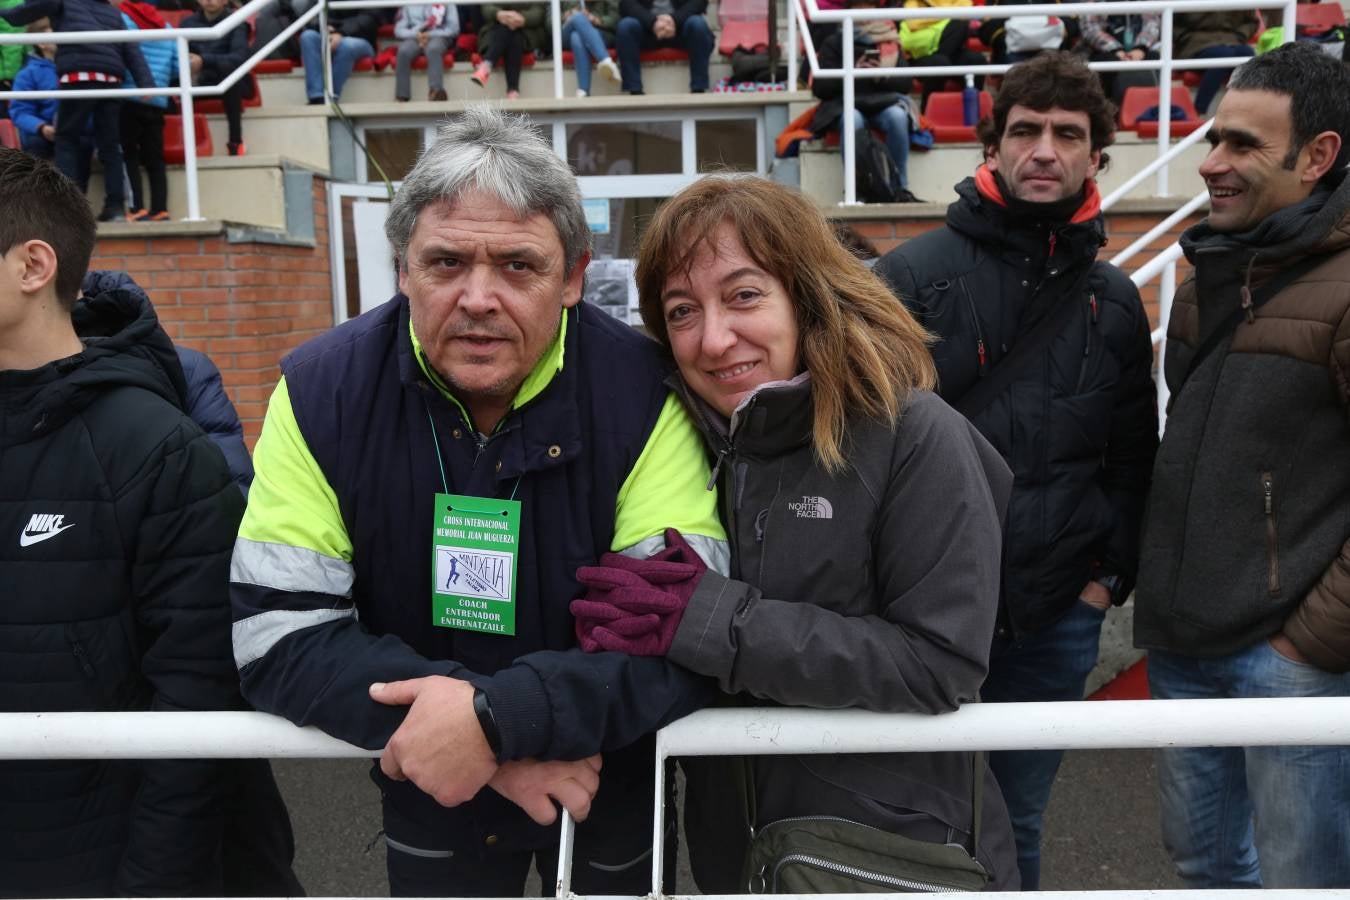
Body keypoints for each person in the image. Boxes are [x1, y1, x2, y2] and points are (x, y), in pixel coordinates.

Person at [230, 107, 729, 898]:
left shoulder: (648, 393)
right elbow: (277, 631)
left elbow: (676, 632)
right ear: (402, 268)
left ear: (573, 276)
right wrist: (473, 744)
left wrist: (495, 723)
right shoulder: (320, 391)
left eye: (518, 266)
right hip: (429, 777)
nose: (478, 297)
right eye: (446, 262)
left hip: (606, 771)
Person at [568, 173, 1018, 892]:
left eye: (744, 296)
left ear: (808, 295)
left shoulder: (913, 433)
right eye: (682, 311)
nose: (714, 339)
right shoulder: (681, 443)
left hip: (889, 852)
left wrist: (713, 621)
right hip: (736, 852)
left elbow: (941, 660)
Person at [875, 51, 1158, 890]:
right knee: (918, 819)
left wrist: (1105, 580)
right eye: (1025, 131)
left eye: (1067, 134)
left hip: (1055, 618)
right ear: (989, 149)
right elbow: (861, 446)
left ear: (1095, 158)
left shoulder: (1111, 299)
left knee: (1018, 819)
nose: (1045, 150)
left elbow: (1131, 458)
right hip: (923, 616)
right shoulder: (912, 278)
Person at [0, 147, 261, 896]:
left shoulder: (157, 448)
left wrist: (153, 883)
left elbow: (200, 697)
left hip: (107, 865)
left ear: (33, 265)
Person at [1134, 41, 1350, 890]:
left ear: (1319, 156)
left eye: (1242, 146)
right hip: (1185, 644)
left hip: (1289, 657)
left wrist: (1310, 642)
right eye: (1213, 140)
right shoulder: (1204, 274)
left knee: (1308, 877)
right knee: (1202, 866)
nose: (1211, 165)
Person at [0, 0, 153, 222]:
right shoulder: (112, 11)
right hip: (111, 79)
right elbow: (130, 47)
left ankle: (67, 210)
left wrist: (5, 14)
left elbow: (26, 12)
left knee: (66, 138)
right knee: (109, 145)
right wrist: (145, 82)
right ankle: (116, 208)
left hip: (77, 75)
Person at [811, 27, 923, 202]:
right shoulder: (833, 42)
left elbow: (904, 84)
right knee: (852, 119)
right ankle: (857, 189)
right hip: (845, 102)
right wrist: (853, 72)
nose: (864, 22)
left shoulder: (889, 43)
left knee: (898, 117)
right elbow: (821, 88)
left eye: (868, 8)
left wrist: (880, 75)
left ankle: (899, 188)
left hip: (883, 102)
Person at [118, 0, 173, 219]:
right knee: (155, 158)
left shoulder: (122, 19)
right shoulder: (166, 26)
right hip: (158, 100)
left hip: (128, 97)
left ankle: (136, 208)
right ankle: (160, 209)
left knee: (129, 153)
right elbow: (178, 65)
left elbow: (120, 56)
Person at [182, 0, 250, 156]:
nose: (209, 0)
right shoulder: (187, 23)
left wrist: (204, 60)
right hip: (198, 78)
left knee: (231, 77)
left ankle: (235, 142)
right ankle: (184, 144)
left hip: (228, 80)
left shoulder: (236, 20)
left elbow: (239, 57)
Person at [901, 0, 985, 112]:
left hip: (950, 49)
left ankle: (973, 114)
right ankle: (927, 114)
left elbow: (966, 8)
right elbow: (913, 22)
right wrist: (947, 16)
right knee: (940, 62)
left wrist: (933, 17)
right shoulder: (913, 2)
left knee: (977, 60)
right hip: (921, 54)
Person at [614, 0, 713, 95]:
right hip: (647, 29)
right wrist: (653, 22)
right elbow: (626, 4)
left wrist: (674, 20)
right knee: (626, 26)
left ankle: (698, 88)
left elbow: (699, 2)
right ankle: (634, 89)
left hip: (680, 27)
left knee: (698, 24)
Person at [1173, 9, 1257, 114]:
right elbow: (1173, 23)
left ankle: (1245, 112)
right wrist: (1185, 37)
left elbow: (1251, 22)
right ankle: (1198, 112)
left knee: (1248, 54)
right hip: (1196, 43)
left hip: (1232, 40)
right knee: (1223, 56)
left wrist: (1240, 34)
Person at [1079, 1, 1161, 104]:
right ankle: (1107, 106)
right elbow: (1090, 29)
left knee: (1154, 57)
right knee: (1107, 62)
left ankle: (1151, 105)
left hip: (1140, 49)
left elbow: (1152, 25)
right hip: (1104, 50)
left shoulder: (1146, 3)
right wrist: (1115, 50)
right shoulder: (1094, 3)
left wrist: (1141, 48)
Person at [299, 5, 379, 103]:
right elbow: (311, 16)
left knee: (346, 45)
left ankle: (331, 98)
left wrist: (341, 32)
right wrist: (326, 26)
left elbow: (369, 20)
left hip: (362, 40)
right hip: (328, 34)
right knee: (308, 36)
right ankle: (317, 97)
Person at [467, 3, 544, 100]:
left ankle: (486, 65)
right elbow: (486, 7)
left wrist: (522, 18)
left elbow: (539, 11)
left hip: (526, 32)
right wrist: (498, 14)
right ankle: (513, 91)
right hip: (494, 31)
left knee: (514, 35)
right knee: (507, 31)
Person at [392, 4, 458, 102]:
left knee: (433, 49)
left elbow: (453, 29)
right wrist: (416, 34)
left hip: (439, 36)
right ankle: (402, 96)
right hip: (415, 37)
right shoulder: (407, 3)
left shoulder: (448, 2)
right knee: (403, 51)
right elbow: (398, 30)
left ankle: (436, 92)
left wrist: (430, 34)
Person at [563, 0, 619, 97]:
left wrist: (594, 19)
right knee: (578, 17)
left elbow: (615, 19)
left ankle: (583, 90)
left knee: (576, 37)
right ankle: (605, 59)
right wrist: (566, 16)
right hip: (565, 32)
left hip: (600, 33)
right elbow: (549, 23)